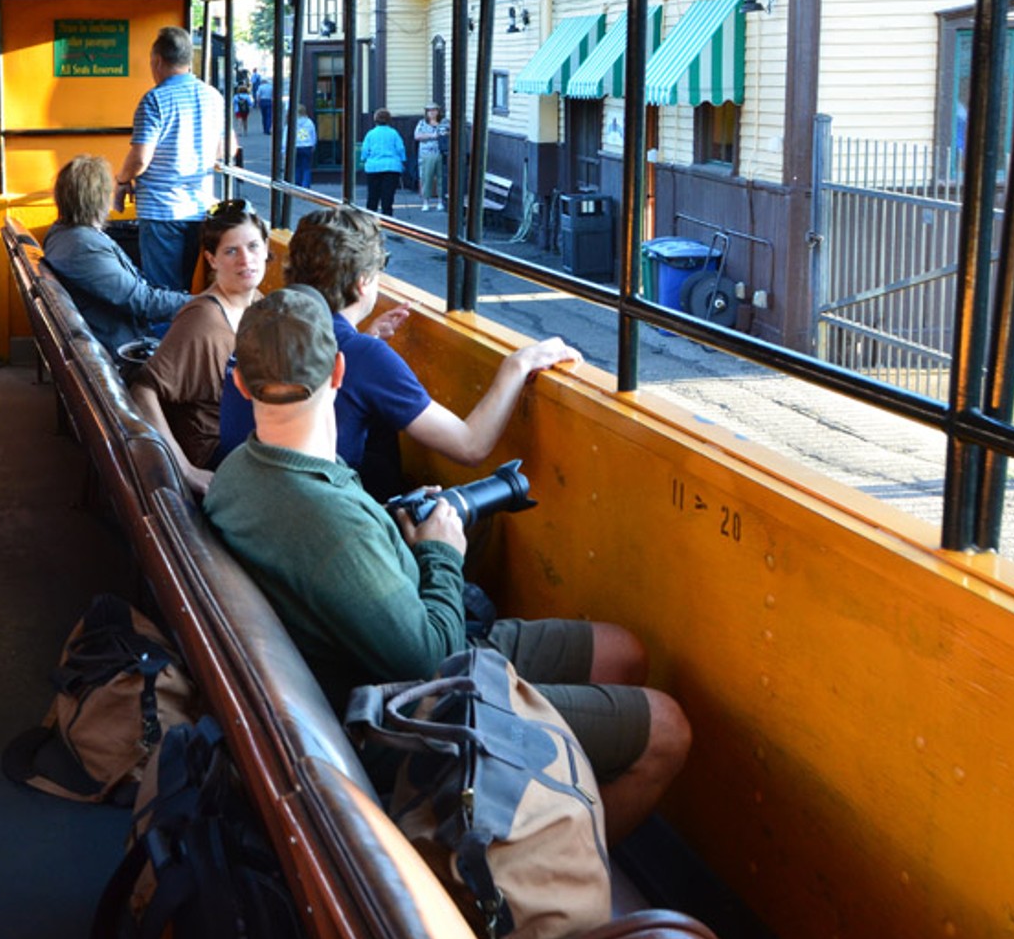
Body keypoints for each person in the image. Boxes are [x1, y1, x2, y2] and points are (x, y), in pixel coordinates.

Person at [203, 285, 690, 843]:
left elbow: (341, 560)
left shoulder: (241, 470)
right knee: (667, 730)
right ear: (339, 373)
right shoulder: (328, 522)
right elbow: (434, 658)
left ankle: (556, 814)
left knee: (624, 654)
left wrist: (401, 536)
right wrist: (440, 551)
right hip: (406, 705)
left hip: (378, 643)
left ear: (241, 384)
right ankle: (561, 885)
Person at [215, 206, 579, 500]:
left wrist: (365, 340)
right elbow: (470, 446)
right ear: (363, 283)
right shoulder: (361, 355)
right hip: (310, 511)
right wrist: (518, 365)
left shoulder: (262, 325)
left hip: (248, 499)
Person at [129, 200, 269, 494]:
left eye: (254, 246)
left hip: (252, 439)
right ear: (211, 259)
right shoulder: (204, 319)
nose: (246, 260)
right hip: (219, 453)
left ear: (267, 249)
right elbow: (143, 390)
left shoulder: (260, 304)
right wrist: (185, 469)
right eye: (231, 251)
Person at [42, 154, 192, 355]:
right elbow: (141, 301)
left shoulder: (63, 234)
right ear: (98, 198)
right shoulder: (83, 247)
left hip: (117, 334)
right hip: (126, 347)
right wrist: (205, 300)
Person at [117, 26, 225, 293]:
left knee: (162, 292)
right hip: (199, 208)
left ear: (157, 61)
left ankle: (164, 336)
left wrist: (122, 180)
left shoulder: (155, 99)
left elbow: (141, 157)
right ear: (189, 60)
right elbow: (225, 149)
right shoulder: (213, 96)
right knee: (183, 288)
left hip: (161, 211)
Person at [359, 109, 406, 216]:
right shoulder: (394, 133)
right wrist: (402, 160)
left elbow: (365, 150)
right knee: (388, 196)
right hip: (392, 166)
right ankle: (387, 218)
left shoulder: (371, 134)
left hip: (373, 167)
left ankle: (370, 219)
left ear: (375, 120)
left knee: (373, 195)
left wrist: (363, 158)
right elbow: (400, 148)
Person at [414, 104, 447, 213]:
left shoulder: (444, 122)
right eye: (429, 111)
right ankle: (425, 202)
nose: (432, 113)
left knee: (441, 178)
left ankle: (440, 201)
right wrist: (431, 136)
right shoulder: (422, 123)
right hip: (426, 154)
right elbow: (417, 136)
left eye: (434, 110)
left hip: (440, 153)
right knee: (426, 178)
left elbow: (447, 134)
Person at [293, 107, 317, 188]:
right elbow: (313, 134)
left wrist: (284, 149)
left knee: (297, 166)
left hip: (296, 146)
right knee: (306, 167)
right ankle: (306, 185)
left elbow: (287, 135)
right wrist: (313, 144)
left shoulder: (293, 122)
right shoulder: (309, 122)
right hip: (307, 146)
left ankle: (297, 183)